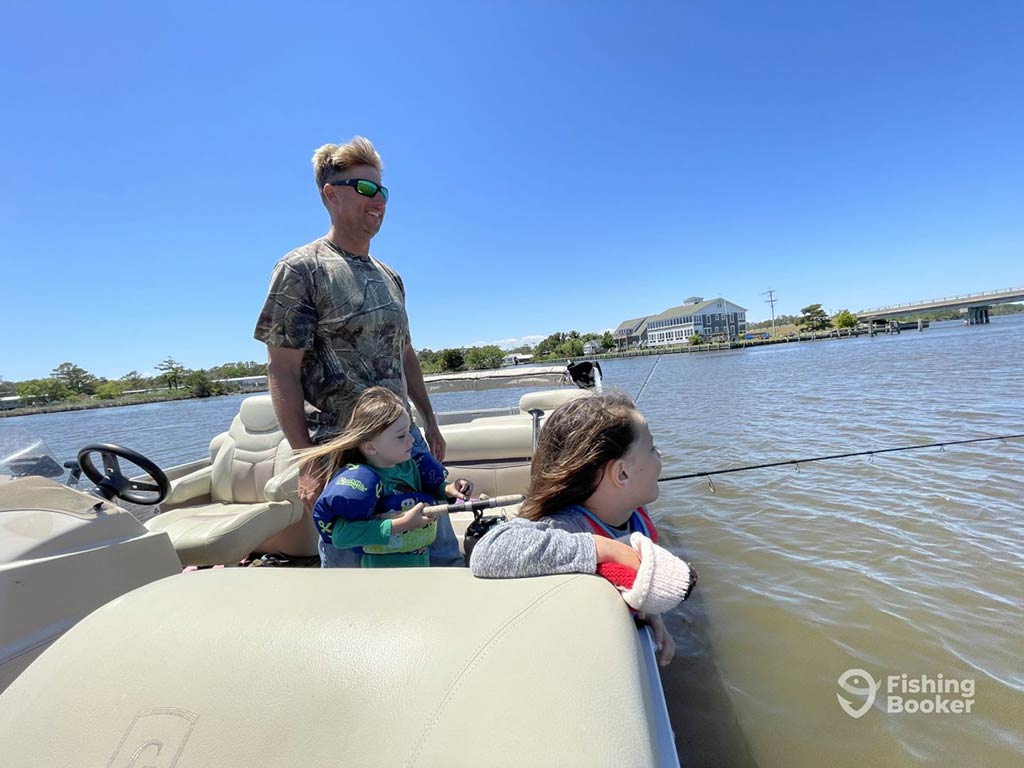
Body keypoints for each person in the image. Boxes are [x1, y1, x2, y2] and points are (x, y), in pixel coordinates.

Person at [253, 136, 461, 566]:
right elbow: (282, 372)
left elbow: (405, 356)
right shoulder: (301, 268)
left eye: (381, 190)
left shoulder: (391, 277)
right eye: (365, 188)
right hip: (341, 453)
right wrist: (306, 463)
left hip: (407, 444)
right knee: (353, 576)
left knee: (441, 557)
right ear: (330, 194)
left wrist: (430, 424)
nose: (378, 200)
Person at [469, 391, 697, 666]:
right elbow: (489, 551)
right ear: (622, 473)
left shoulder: (635, 511)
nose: (660, 454)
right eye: (651, 448)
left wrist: (654, 612)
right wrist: (606, 548)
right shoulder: (568, 526)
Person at [299, 388, 472, 568]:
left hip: (421, 565)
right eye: (401, 435)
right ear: (370, 447)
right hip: (381, 577)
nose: (411, 440)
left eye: (409, 432)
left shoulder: (411, 466)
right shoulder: (357, 483)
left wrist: (449, 488)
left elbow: (432, 489)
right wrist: (399, 524)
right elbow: (341, 536)